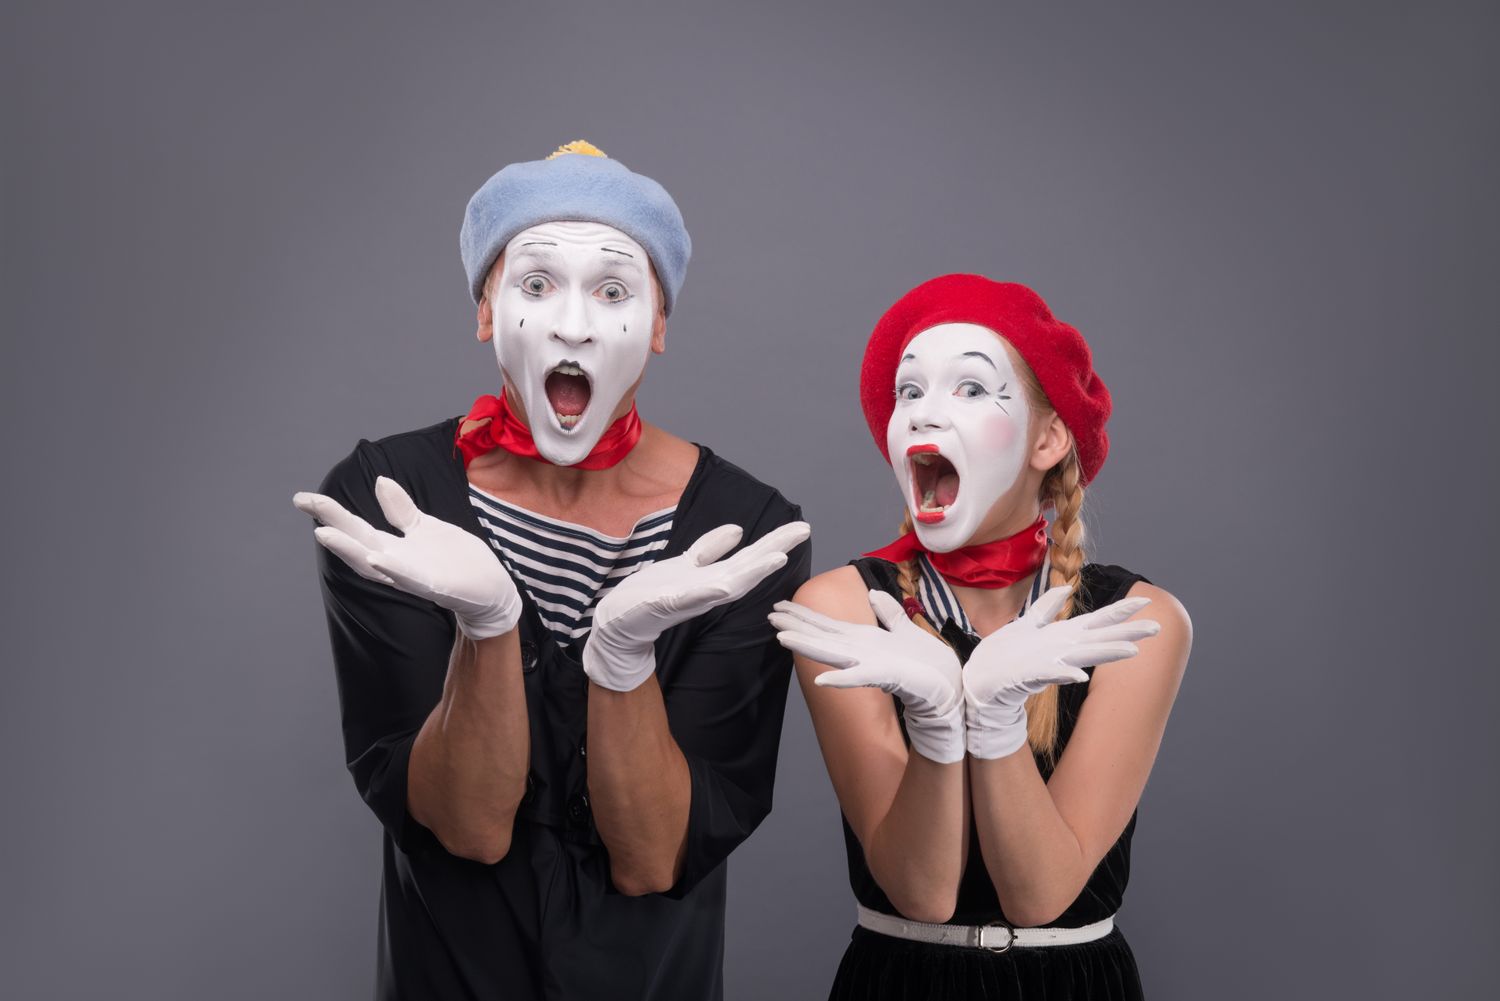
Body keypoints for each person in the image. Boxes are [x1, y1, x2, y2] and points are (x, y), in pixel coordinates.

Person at [291, 140, 810, 1001]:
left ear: (661, 323)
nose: (574, 324)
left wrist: (623, 654)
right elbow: (468, 827)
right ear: (487, 306)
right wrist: (487, 623)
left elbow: (650, 858)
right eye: (536, 285)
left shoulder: (747, 536)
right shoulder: (390, 504)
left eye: (613, 291)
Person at [770, 274, 1191, 999]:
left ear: (1049, 437)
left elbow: (1040, 894)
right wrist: (940, 722)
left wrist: (993, 718)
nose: (926, 412)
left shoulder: (1136, 622)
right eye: (910, 392)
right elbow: (921, 891)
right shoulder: (841, 609)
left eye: (970, 388)